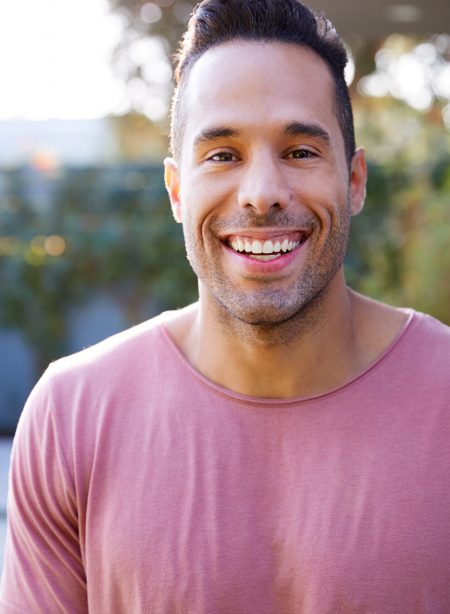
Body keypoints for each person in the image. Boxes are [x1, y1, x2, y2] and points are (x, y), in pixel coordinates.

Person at [1, 0, 450, 611]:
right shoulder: (71, 418)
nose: (262, 194)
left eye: (299, 151)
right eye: (222, 154)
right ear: (177, 190)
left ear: (354, 181)